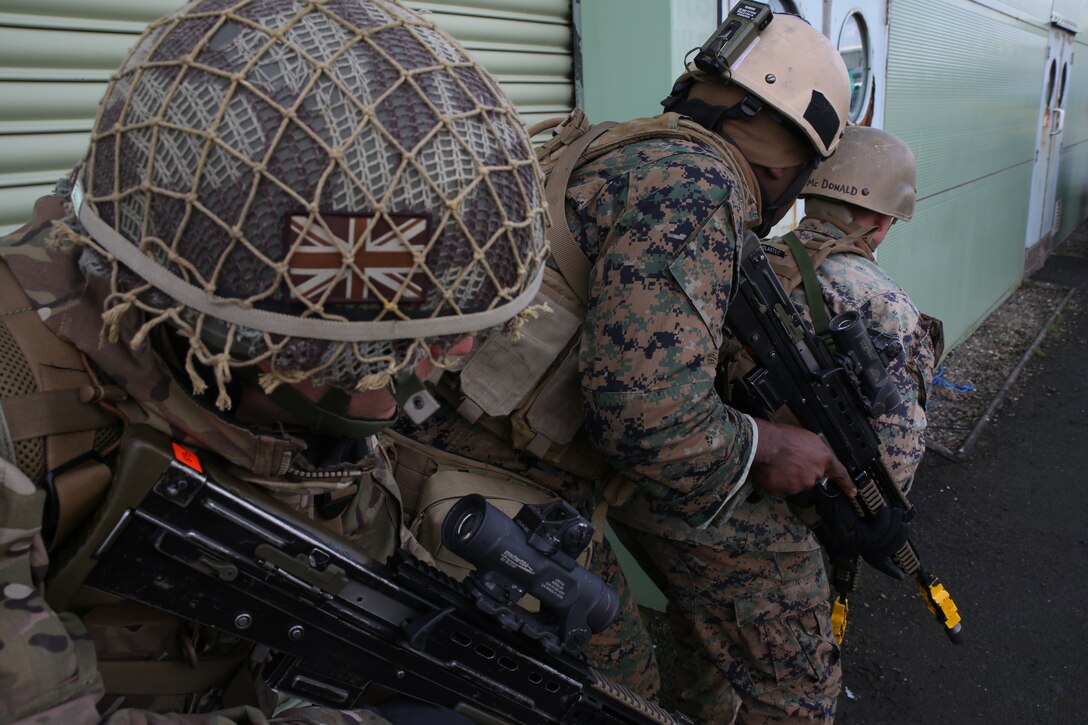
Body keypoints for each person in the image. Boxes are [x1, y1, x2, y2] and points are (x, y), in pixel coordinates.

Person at [0, 1, 547, 722]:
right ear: (240, 341)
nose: (448, 360)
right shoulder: (22, 404)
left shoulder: (286, 362)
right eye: (392, 348)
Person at [395, 10, 876, 723]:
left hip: (427, 450)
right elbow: (649, 420)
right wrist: (766, 445)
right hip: (480, 496)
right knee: (619, 698)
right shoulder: (698, 187)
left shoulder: (615, 147)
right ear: (788, 160)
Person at [762, 124, 943, 495]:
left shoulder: (755, 259)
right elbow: (895, 456)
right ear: (882, 221)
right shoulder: (883, 301)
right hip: (811, 503)